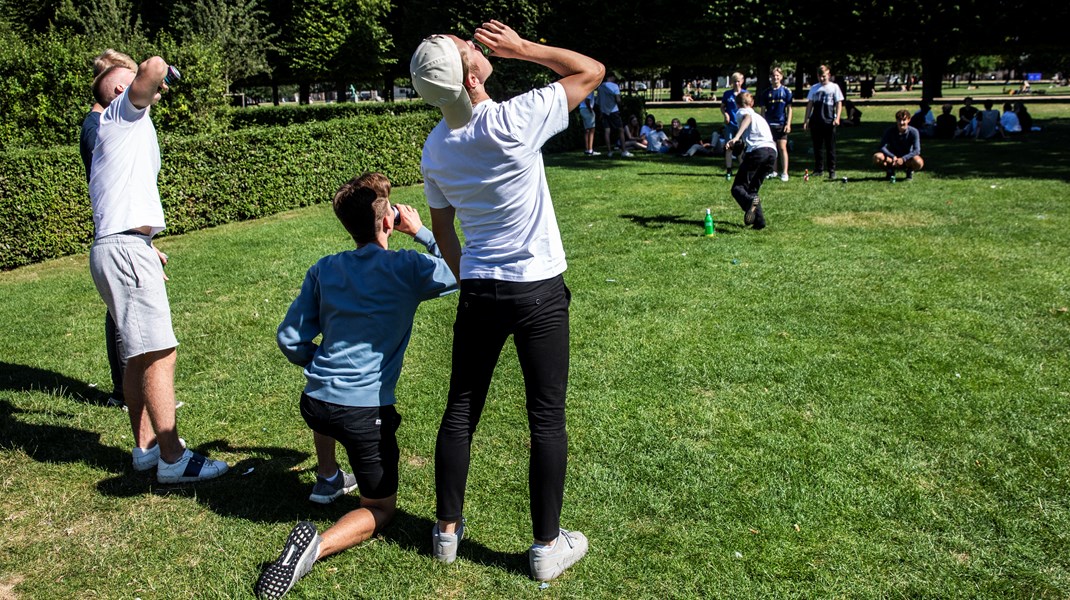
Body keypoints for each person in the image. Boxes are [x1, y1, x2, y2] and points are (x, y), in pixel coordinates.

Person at [410, 20, 602, 581]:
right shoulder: (515, 118)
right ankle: (546, 547)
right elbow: (590, 71)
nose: (478, 44)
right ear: (471, 74)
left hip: (481, 288)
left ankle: (446, 533)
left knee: (461, 409)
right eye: (470, 48)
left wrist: (464, 273)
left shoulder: (435, 147)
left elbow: (443, 229)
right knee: (546, 417)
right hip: (537, 287)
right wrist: (523, 50)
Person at [255, 173, 458, 600]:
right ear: (389, 221)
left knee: (329, 401)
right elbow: (462, 269)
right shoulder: (408, 267)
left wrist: (321, 366)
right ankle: (315, 547)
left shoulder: (325, 268)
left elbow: (288, 338)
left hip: (315, 400)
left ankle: (328, 476)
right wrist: (421, 232)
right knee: (380, 508)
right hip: (365, 412)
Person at [89, 56, 228, 482]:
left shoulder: (120, 129)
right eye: (130, 85)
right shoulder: (120, 114)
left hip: (121, 245)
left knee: (136, 354)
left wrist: (145, 246)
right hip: (126, 248)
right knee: (159, 352)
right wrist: (161, 74)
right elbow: (153, 65)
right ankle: (173, 458)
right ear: (117, 91)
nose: (146, 90)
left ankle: (146, 450)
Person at [80, 49, 137, 410]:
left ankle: (127, 389)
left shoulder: (100, 125)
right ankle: (125, 391)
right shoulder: (97, 128)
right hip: (117, 232)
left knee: (121, 309)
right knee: (122, 312)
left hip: (123, 230)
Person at [725, 91, 775, 230]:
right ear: (752, 103)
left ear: (737, 104)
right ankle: (759, 222)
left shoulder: (742, 112)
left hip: (758, 151)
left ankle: (749, 203)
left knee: (737, 188)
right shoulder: (760, 117)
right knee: (752, 189)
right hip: (771, 152)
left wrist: (735, 138)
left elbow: (747, 118)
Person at [803, 65, 843, 179]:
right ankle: (818, 169)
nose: (822, 79)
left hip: (829, 120)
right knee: (817, 147)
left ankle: (832, 170)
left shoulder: (834, 87)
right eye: (820, 76)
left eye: (824, 76)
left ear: (829, 75)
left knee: (830, 147)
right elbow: (810, 104)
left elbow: (838, 103)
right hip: (816, 121)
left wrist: (837, 118)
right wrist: (806, 120)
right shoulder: (814, 88)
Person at [760, 67, 793, 181]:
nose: (775, 78)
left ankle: (784, 172)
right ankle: (773, 171)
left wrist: (788, 124)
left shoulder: (786, 91)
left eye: (778, 75)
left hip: (781, 124)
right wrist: (763, 125)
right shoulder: (765, 93)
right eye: (773, 76)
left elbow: (789, 109)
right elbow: (763, 111)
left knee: (782, 147)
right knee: (772, 149)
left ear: (781, 77)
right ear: (771, 77)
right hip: (769, 125)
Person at [872, 109, 924, 180]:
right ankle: (890, 171)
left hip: (907, 159)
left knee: (919, 162)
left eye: (904, 120)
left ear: (909, 120)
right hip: (892, 159)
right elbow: (882, 147)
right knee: (877, 157)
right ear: (896, 120)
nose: (901, 122)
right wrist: (893, 156)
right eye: (899, 120)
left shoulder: (914, 132)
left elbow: (917, 150)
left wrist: (903, 158)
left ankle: (909, 171)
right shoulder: (890, 131)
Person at [597, 72, 631, 157]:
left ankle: (609, 152)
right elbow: (618, 100)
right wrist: (623, 105)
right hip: (614, 111)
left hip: (604, 111)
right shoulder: (615, 86)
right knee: (620, 130)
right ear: (611, 77)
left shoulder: (600, 87)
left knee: (607, 131)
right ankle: (624, 151)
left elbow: (599, 101)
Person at [720, 72, 745, 176]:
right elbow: (722, 106)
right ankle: (729, 170)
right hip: (730, 124)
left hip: (741, 125)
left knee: (741, 148)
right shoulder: (727, 94)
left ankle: (743, 169)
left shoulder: (744, 93)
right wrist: (725, 114)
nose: (736, 83)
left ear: (742, 82)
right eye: (734, 81)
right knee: (729, 147)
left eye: (738, 81)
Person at [578, 90, 599, 156]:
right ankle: (590, 150)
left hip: (582, 108)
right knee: (592, 129)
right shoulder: (590, 90)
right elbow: (587, 101)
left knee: (587, 130)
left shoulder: (584, 89)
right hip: (587, 109)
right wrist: (591, 110)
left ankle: (587, 149)